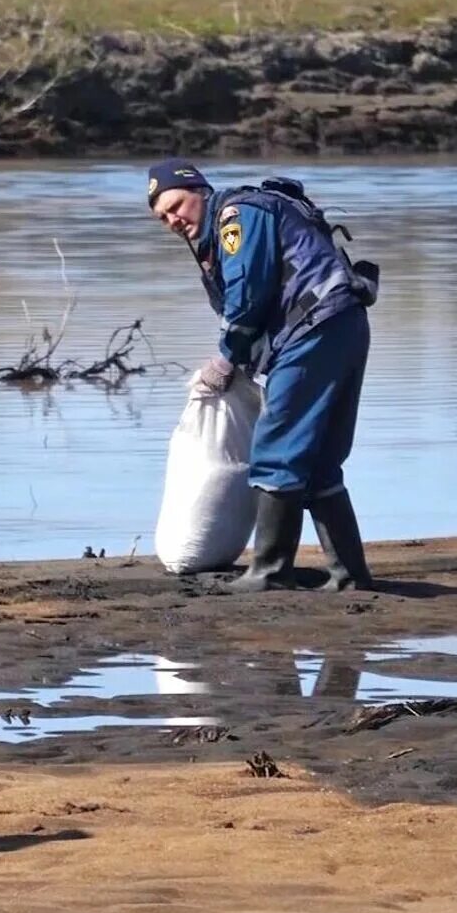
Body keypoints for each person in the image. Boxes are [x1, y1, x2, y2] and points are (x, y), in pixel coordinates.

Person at [146, 158, 376, 592]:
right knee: (320, 460)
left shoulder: (236, 216)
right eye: (163, 218)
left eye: (176, 205)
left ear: (199, 190)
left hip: (315, 330)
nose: (174, 220)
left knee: (276, 449)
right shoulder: (236, 220)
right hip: (341, 325)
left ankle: (269, 571)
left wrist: (224, 361)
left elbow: (248, 294)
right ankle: (350, 576)